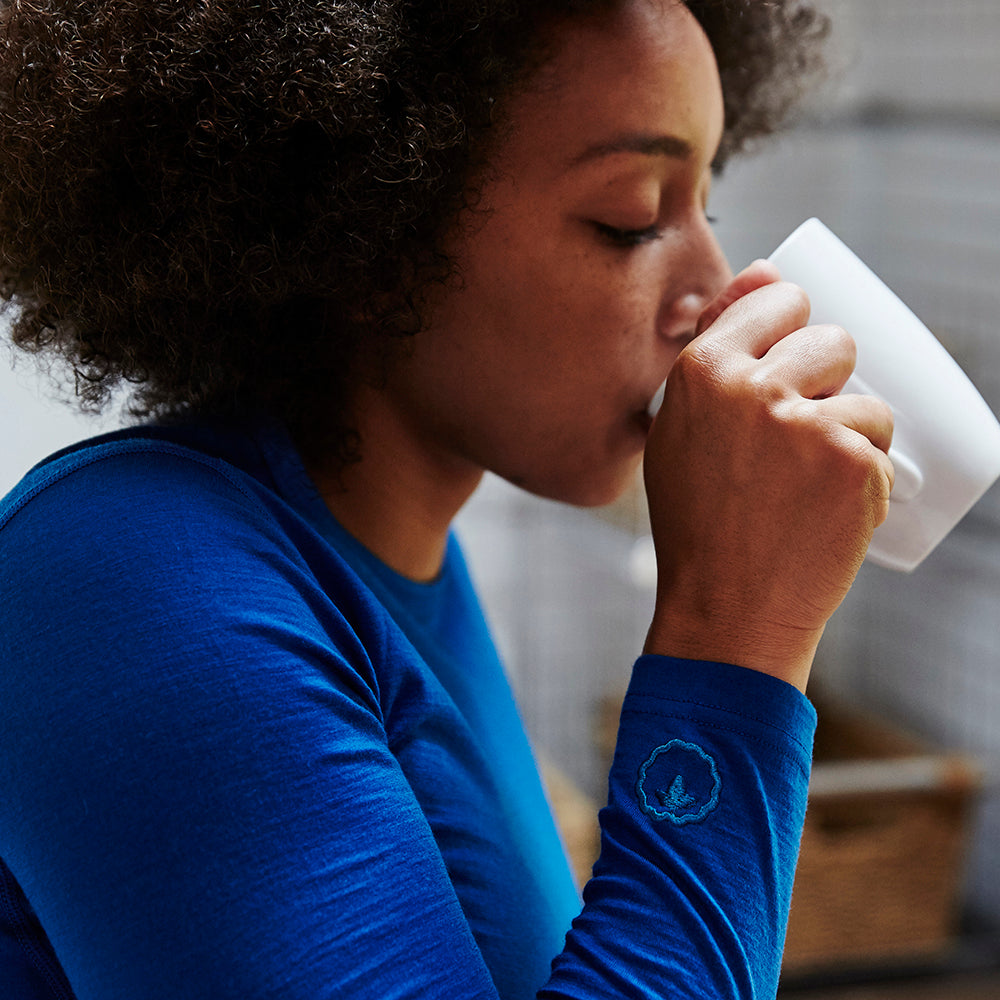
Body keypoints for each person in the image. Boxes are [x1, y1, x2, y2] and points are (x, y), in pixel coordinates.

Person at [0, 2, 895, 998]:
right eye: (631, 218)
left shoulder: (397, 554)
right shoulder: (131, 577)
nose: (715, 289)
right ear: (375, 236)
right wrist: (737, 630)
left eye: (706, 207)